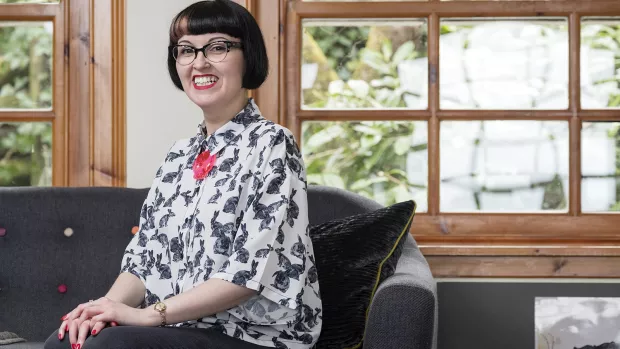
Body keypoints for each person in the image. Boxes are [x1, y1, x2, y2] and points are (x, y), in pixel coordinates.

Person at [43, 1, 322, 348]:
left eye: (218, 47)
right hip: (182, 328)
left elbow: (247, 273)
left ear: (248, 55)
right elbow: (144, 260)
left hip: (253, 336)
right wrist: (105, 308)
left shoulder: (273, 144)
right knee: (67, 338)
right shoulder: (178, 155)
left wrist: (147, 315)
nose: (200, 62)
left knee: (105, 346)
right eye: (186, 50)